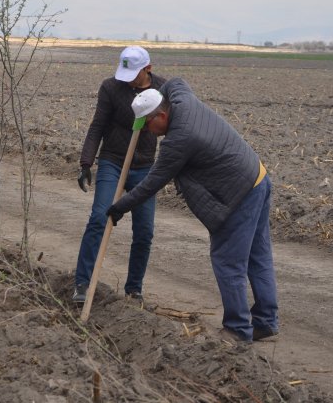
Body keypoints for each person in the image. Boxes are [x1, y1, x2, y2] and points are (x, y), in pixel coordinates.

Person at [108, 78, 279, 345]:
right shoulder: (181, 98)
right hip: (258, 177)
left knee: (227, 260)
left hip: (238, 194)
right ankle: (266, 321)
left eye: (149, 125)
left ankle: (237, 330)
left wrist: (120, 207)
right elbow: (175, 81)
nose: (148, 132)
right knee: (258, 255)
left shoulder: (179, 141)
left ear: (162, 115)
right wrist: (150, 93)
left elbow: (152, 183)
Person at [73, 46, 165, 304]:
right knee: (99, 218)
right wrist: (86, 163)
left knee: (145, 231)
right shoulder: (111, 88)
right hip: (113, 162)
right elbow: (97, 126)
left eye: (134, 74)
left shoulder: (161, 88)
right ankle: (82, 282)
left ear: (148, 69)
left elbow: (173, 127)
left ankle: (134, 290)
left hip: (145, 166)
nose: (127, 79)